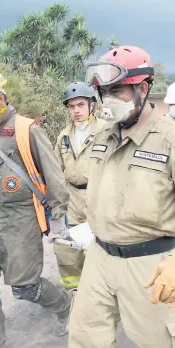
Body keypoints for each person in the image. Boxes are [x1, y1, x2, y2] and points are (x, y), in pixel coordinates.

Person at [68, 45, 175, 348]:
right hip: (99, 259)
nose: (108, 100)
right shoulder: (102, 137)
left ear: (142, 89)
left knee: (166, 347)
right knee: (85, 340)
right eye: (104, 92)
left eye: (117, 91)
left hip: (150, 265)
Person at [0, 66, 73, 348]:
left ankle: (66, 306)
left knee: (26, 287)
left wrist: (58, 217)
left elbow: (54, 176)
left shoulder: (27, 130)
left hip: (21, 218)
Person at [53, 82, 106, 290]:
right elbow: (56, 170)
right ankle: (76, 291)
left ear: (92, 105)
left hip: (98, 197)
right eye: (72, 106)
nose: (76, 111)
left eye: (81, 105)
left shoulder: (106, 132)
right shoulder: (64, 136)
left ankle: (101, 289)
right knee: (70, 247)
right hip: (73, 200)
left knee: (100, 245)